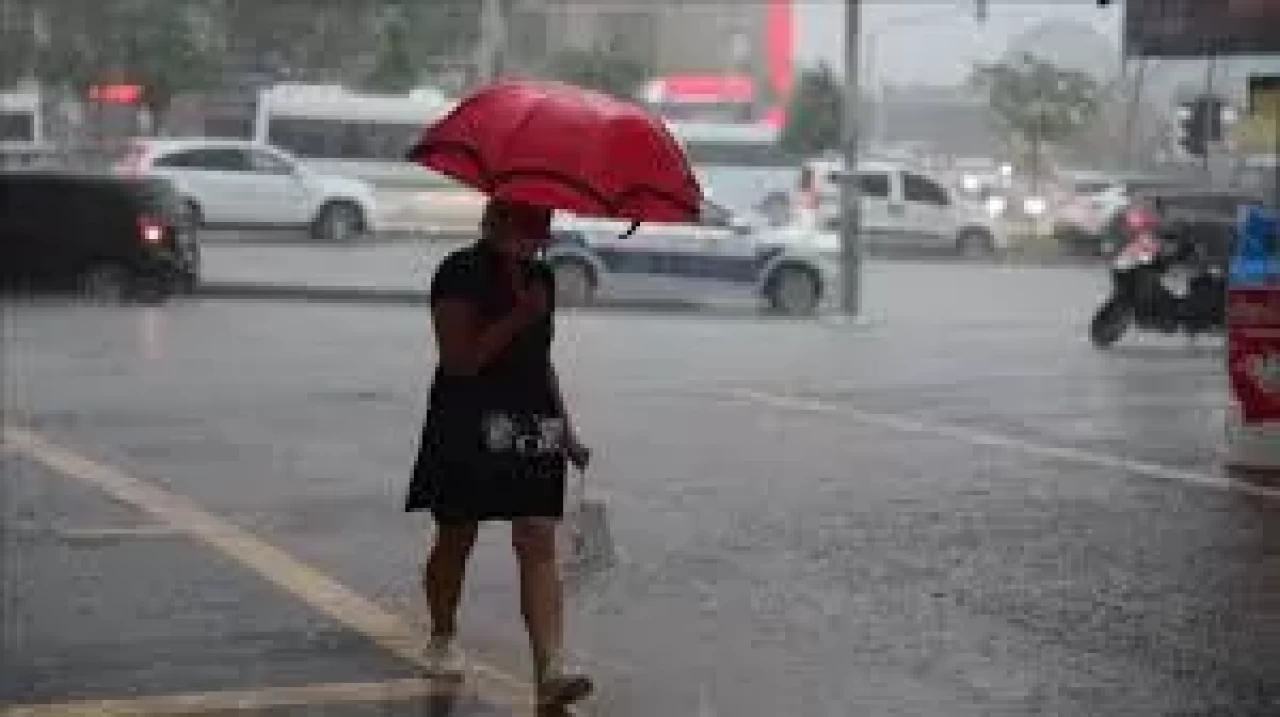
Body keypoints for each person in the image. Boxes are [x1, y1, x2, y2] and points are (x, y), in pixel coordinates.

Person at [406, 197, 593, 706]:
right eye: (530, 227)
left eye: (544, 229)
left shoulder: (542, 278)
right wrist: (516, 316)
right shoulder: (458, 272)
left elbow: (541, 361)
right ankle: (442, 635)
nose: (539, 239)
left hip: (533, 421)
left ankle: (550, 669)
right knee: (456, 537)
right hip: (468, 420)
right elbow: (460, 361)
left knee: (536, 539)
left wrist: (568, 431)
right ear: (497, 220)